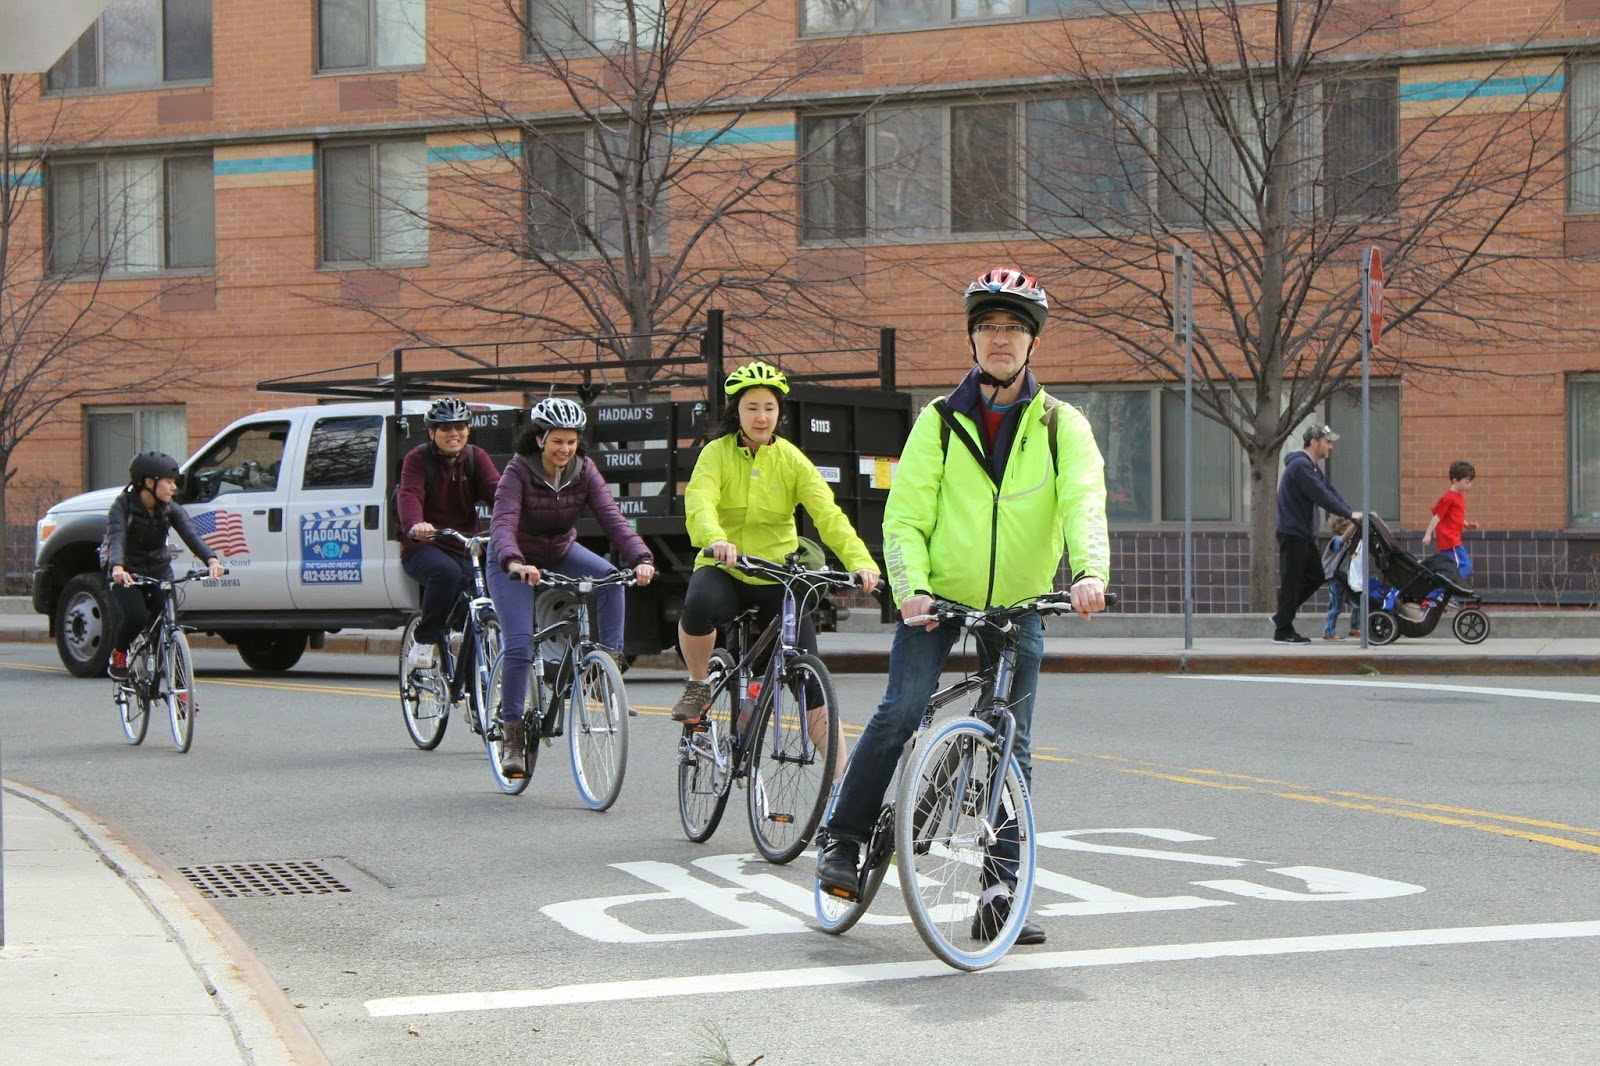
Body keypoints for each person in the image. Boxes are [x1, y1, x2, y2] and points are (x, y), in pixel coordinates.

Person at [815, 266, 1110, 947]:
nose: (999, 339)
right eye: (988, 328)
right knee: (900, 711)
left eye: (1012, 328)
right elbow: (906, 516)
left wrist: (1090, 572)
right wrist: (911, 586)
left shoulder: (1064, 426)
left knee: (1014, 743)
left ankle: (1002, 891)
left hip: (1022, 601)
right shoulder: (939, 423)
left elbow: (1082, 505)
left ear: (1032, 342)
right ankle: (844, 839)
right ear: (973, 341)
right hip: (937, 597)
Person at [670, 361, 881, 765]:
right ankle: (698, 684)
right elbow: (699, 501)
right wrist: (715, 539)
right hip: (725, 567)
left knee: (811, 674)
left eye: (769, 407)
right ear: (738, 411)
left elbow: (829, 515)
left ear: (779, 412)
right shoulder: (715, 454)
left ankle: (840, 785)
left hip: (777, 575)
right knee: (699, 605)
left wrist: (860, 561)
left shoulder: (791, 459)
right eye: (752, 407)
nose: (761, 416)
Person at [489, 396, 656, 779]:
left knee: (612, 580)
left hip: (561, 550)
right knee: (518, 645)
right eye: (557, 441)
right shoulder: (518, 471)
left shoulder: (584, 469)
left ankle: (604, 672)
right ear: (539, 438)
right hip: (514, 561)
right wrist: (514, 561)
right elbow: (503, 523)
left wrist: (642, 558)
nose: (565, 449)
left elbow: (612, 517)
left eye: (571, 441)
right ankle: (512, 733)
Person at [397, 397, 501, 672]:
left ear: (467, 429)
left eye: (459, 427)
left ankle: (473, 697)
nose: (453, 433)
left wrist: (518, 519)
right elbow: (410, 494)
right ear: (432, 433)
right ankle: (425, 639)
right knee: (446, 573)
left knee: (477, 604)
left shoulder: (476, 457)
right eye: (445, 428)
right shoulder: (418, 459)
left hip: (464, 545)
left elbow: (497, 493)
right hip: (423, 546)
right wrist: (415, 524)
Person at [105, 452, 227, 679]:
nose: (174, 488)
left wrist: (212, 560)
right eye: (169, 482)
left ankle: (181, 691)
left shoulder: (170, 508)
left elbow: (192, 535)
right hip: (127, 573)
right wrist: (118, 567)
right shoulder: (122, 506)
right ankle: (120, 653)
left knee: (170, 626)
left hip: (159, 571)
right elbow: (116, 537)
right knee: (136, 617)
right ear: (149, 483)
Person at [1271, 423, 1361, 645]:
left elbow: (1329, 490)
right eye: (1328, 442)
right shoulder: (1300, 467)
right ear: (1314, 442)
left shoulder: (1310, 467)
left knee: (1316, 576)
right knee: (1292, 581)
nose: (1330, 446)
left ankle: (1282, 615)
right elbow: (1320, 495)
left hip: (1303, 533)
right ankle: (1282, 630)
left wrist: (1350, 512)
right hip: (1293, 533)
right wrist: (1349, 513)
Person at [1421, 460, 1478, 586]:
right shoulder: (1449, 497)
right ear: (1455, 481)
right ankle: (1448, 589)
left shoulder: (1458, 497)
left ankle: (1438, 593)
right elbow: (1437, 516)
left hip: (1452, 538)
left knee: (1449, 568)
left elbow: (1454, 517)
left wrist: (1467, 525)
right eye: (1466, 482)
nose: (1469, 486)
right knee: (1465, 565)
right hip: (1450, 540)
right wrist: (1427, 534)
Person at [1321, 516, 1359, 641]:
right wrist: (1355, 524)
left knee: (1357, 603)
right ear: (1343, 531)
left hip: (1346, 578)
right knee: (1336, 606)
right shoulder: (1336, 540)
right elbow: (1343, 540)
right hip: (1335, 578)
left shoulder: (1351, 543)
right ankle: (1329, 632)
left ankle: (1355, 628)